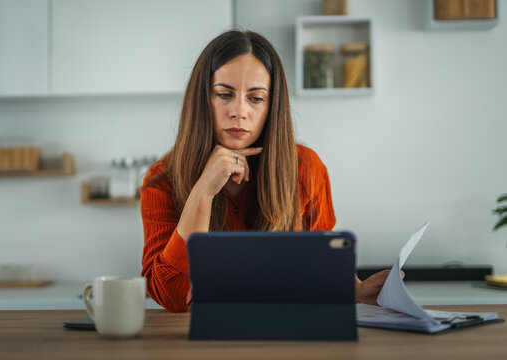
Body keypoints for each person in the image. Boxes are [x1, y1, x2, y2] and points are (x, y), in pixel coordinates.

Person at [140, 30, 391, 312]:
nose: (239, 111)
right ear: (203, 99)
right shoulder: (161, 180)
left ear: (272, 106)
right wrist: (202, 193)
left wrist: (353, 290)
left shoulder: (307, 168)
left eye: (256, 99)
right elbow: (173, 298)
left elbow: (321, 262)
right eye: (224, 94)